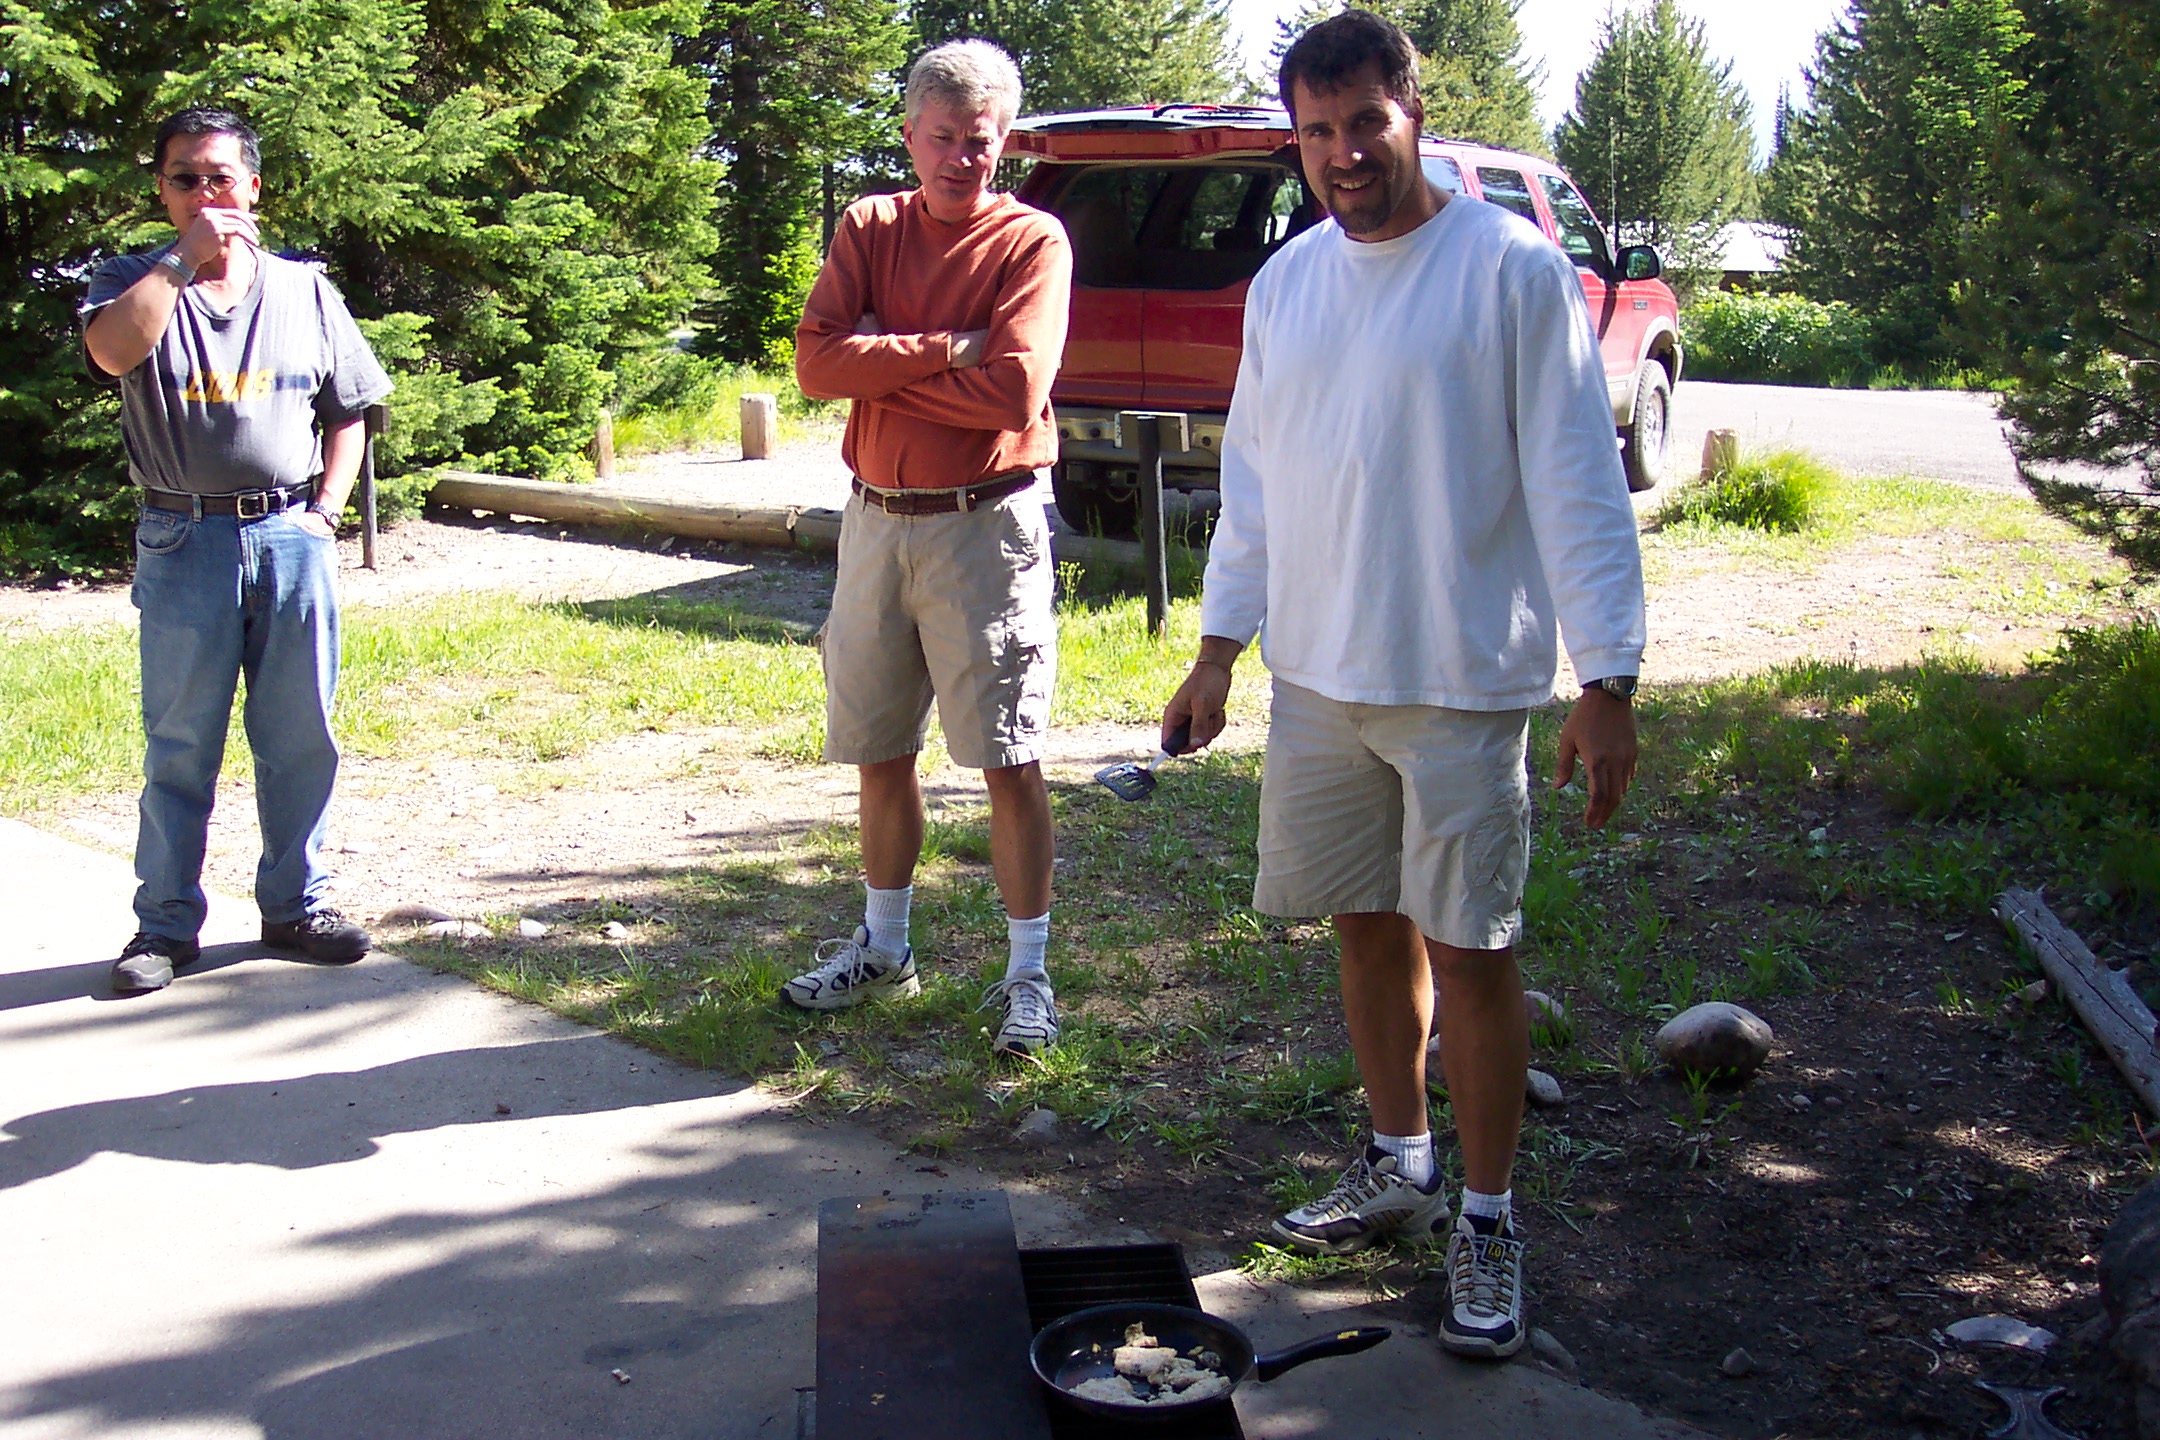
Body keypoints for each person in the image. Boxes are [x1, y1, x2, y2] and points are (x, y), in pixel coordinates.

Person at [1159, 11, 1646, 1359]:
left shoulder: (1507, 271)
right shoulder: (1289, 284)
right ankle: (1399, 1163)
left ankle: (1487, 1218)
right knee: (1363, 930)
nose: (1340, 156)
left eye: (1363, 123)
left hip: (1460, 680)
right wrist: (1218, 649)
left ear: (1412, 111)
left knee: (1473, 949)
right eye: (1314, 134)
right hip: (1317, 677)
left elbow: (1576, 479)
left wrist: (1606, 674)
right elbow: (1251, 485)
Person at [786, 40, 1073, 1056]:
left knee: (1008, 755)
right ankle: (886, 948)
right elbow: (817, 364)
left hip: (983, 524)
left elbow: (1013, 391)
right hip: (874, 522)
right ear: (910, 135)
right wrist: (949, 346)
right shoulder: (870, 225)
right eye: (942, 139)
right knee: (878, 748)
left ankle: (1029, 976)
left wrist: (882, 358)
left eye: (980, 142)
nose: (961, 160)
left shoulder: (1032, 242)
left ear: (1006, 143)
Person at [83, 108, 393, 994]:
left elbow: (349, 413)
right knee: (180, 742)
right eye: (185, 178)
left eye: (221, 177)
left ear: (254, 186)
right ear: (163, 192)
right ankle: (164, 927)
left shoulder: (304, 289)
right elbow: (110, 353)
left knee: (302, 734)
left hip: (290, 535)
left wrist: (324, 515)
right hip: (183, 537)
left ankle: (296, 907)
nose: (206, 194)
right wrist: (181, 262)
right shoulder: (132, 279)